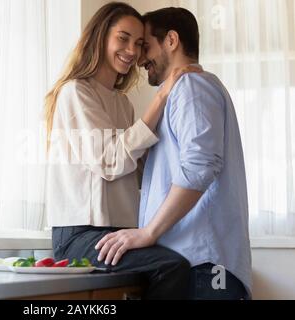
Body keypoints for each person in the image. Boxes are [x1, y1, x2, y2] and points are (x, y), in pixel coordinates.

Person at [45, 2, 200, 300]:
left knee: (182, 262)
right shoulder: (76, 92)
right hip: (81, 235)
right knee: (172, 267)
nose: (132, 50)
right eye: (123, 38)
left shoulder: (122, 104)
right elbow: (110, 161)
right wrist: (163, 94)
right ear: (101, 36)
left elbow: (137, 168)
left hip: (116, 231)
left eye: (139, 43)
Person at [95, 7, 252, 300]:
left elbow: (200, 166)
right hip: (197, 265)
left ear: (171, 40)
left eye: (145, 46)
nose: (140, 59)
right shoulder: (188, 89)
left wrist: (148, 232)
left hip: (205, 267)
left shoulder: (191, 87)